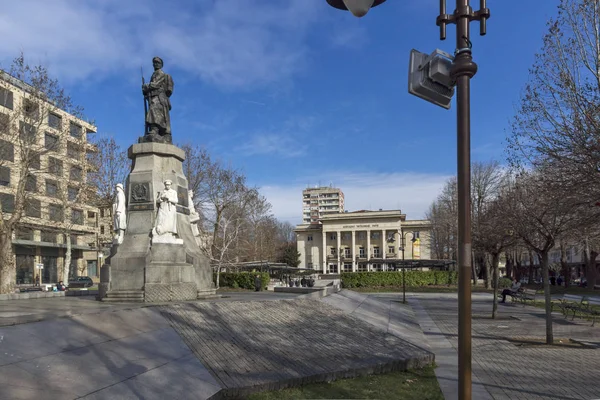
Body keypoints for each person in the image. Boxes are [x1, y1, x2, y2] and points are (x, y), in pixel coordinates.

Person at [142, 56, 174, 143]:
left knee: (154, 110)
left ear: (161, 65)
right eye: (154, 63)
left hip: (160, 98)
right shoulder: (154, 74)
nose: (156, 64)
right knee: (154, 111)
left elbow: (155, 84)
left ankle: (155, 129)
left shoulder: (161, 74)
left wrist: (146, 86)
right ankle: (155, 130)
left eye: (158, 63)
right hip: (154, 96)